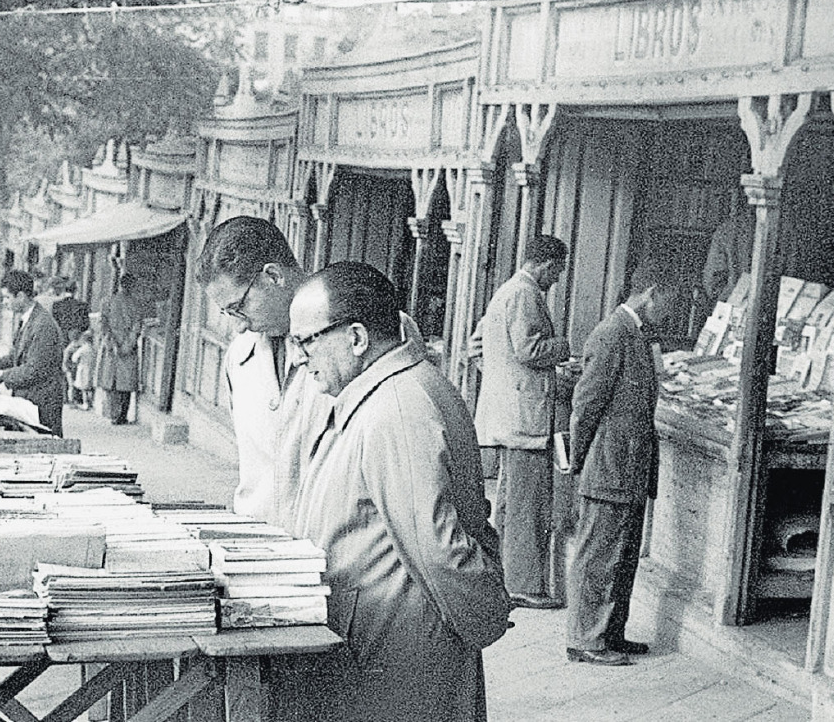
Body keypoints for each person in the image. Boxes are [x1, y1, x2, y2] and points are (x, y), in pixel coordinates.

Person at [287, 262, 509, 722]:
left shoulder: (395, 407)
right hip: (378, 649)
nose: (299, 356)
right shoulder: (383, 394)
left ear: (356, 338)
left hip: (398, 662)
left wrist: (486, 614)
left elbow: (439, 550)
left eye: (307, 340)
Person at [194, 215, 422, 526]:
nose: (238, 324)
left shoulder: (368, 329)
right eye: (226, 312)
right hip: (259, 551)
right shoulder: (239, 355)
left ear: (273, 276)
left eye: (239, 307)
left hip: (338, 556)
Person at [564, 269, 682, 667]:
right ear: (651, 293)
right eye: (671, 300)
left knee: (622, 556)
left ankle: (610, 631)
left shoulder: (636, 335)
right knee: (598, 556)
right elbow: (586, 404)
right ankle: (586, 639)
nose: (672, 311)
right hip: (609, 466)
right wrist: (578, 459)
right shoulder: (611, 333)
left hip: (628, 468)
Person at [472, 235, 571, 610]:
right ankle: (525, 586)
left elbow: (476, 344)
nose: (558, 278)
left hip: (509, 413)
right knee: (528, 506)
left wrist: (501, 379)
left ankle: (505, 579)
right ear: (545, 264)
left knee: (511, 504)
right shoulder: (526, 294)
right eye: (558, 270)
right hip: (525, 419)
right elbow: (530, 350)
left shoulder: (506, 292)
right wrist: (563, 347)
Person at [0, 270, 65, 437]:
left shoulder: (43, 325)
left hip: (42, 402)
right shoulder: (28, 319)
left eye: (7, 297)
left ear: (21, 296)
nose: (5, 302)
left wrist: (4, 375)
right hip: (30, 398)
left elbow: (36, 369)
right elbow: (16, 355)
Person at [96, 272, 143, 425]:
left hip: (112, 347)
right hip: (126, 347)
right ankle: (121, 415)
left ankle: (114, 414)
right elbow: (137, 327)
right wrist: (127, 345)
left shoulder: (107, 301)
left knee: (112, 383)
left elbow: (103, 325)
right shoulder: (136, 304)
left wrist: (111, 343)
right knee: (125, 384)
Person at [51, 278, 91, 346]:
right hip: (77, 340)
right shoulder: (83, 306)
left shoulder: (56, 305)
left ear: (64, 289)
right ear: (75, 291)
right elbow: (86, 324)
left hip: (62, 340)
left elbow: (54, 324)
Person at [69, 330, 96, 411]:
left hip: (83, 368)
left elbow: (74, 358)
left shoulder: (83, 349)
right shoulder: (93, 349)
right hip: (92, 369)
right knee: (91, 387)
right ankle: (91, 403)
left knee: (84, 388)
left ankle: (86, 403)